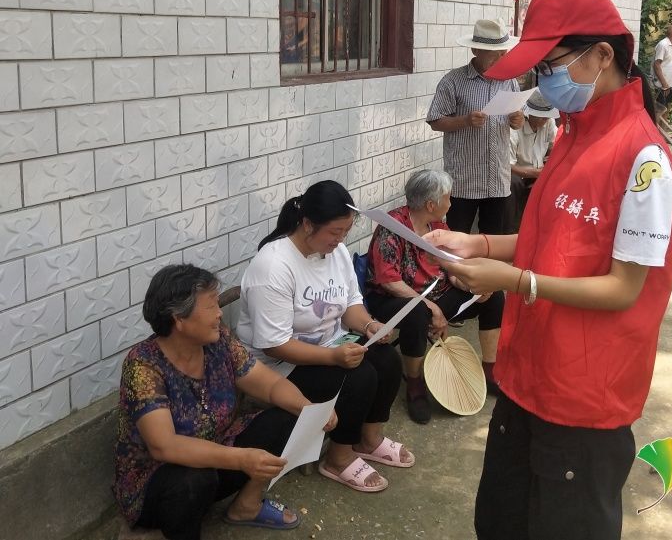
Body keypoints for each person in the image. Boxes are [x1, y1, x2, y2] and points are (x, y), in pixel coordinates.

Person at [424, 0, 672, 540]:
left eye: (551, 64)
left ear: (602, 56)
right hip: (527, 374)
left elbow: (623, 288)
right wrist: (481, 245)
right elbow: (554, 237)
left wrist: (516, 280)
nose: (542, 80)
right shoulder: (574, 133)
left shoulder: (644, 159)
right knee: (499, 521)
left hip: (584, 394)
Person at [113, 264, 337, 540]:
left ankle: (247, 505)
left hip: (218, 455)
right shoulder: (143, 365)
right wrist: (243, 458)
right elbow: (164, 446)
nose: (220, 313)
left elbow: (271, 384)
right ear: (178, 319)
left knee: (288, 417)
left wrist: (309, 410)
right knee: (194, 480)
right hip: (156, 482)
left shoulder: (218, 342)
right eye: (211, 307)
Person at [236, 180, 414, 494]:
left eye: (345, 232)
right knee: (358, 376)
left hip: (329, 345)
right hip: (278, 366)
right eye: (335, 232)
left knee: (386, 359)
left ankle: (368, 439)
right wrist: (333, 357)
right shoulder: (273, 266)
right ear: (307, 224)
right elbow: (275, 344)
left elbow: (350, 306)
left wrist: (369, 326)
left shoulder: (337, 252)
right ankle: (338, 458)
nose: (340, 240)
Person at [365, 169, 505, 424]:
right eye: (448, 198)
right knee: (418, 314)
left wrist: (471, 287)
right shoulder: (392, 227)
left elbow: (448, 269)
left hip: (434, 292)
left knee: (493, 297)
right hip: (390, 299)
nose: (451, 203)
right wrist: (432, 308)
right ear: (431, 204)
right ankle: (415, 384)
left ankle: (489, 369)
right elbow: (390, 281)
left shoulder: (437, 226)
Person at [427, 19, 525, 235]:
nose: (502, 57)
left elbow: (517, 121)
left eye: (503, 51)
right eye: (495, 52)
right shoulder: (453, 81)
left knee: (494, 241)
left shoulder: (509, 81)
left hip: (497, 178)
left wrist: (517, 120)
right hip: (464, 180)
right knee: (456, 240)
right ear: (476, 50)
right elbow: (435, 121)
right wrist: (464, 121)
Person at [505, 88, 559, 233]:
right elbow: (508, 165)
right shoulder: (514, 130)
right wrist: (536, 174)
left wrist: (546, 168)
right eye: (541, 117)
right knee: (513, 183)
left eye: (547, 117)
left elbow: (553, 146)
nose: (545, 120)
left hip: (538, 171)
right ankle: (511, 230)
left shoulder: (548, 123)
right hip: (516, 173)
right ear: (530, 115)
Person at [651, 24, 672, 121]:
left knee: (667, 108)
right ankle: (655, 133)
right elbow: (656, 65)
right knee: (661, 110)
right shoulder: (663, 45)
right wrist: (664, 84)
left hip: (669, 85)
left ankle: (662, 134)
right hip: (662, 85)